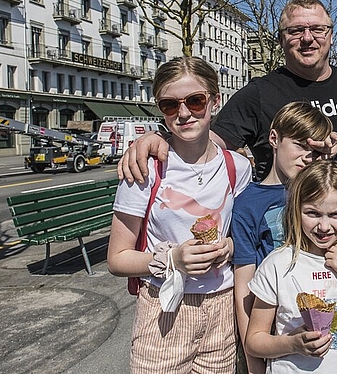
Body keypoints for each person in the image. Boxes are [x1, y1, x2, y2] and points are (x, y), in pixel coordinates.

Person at [119, 0, 337, 183]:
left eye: (317, 29)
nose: (307, 38)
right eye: (296, 31)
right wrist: (160, 139)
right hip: (284, 228)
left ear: (330, 35)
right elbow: (207, 142)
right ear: (281, 39)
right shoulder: (260, 92)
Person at [107, 56, 253, 373]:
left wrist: (229, 248)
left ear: (215, 100)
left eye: (195, 101)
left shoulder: (237, 168)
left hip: (223, 310)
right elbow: (117, 258)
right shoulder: (144, 170)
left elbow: (245, 237)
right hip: (164, 310)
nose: (184, 113)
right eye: (170, 105)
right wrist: (173, 260)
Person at [245, 160, 337, 373]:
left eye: (335, 215)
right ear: (296, 208)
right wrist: (292, 344)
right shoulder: (277, 264)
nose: (324, 226)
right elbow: (254, 341)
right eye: (312, 213)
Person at [233, 101, 333, 373]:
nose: (306, 157)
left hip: (325, 324)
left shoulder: (322, 195)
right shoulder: (248, 204)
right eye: (300, 145)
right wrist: (253, 361)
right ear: (274, 138)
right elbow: (243, 287)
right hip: (273, 334)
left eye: (314, 151)